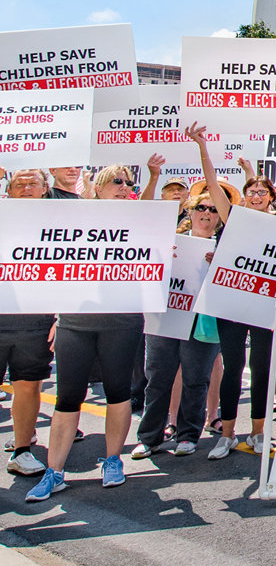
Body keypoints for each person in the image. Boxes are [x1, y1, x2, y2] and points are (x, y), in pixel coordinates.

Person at [190, 121, 276, 460]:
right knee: (233, 368)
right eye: (252, 191)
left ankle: (259, 432)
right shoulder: (232, 217)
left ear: (271, 197)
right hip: (232, 305)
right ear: (245, 196)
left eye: (263, 192)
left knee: (262, 369)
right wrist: (203, 148)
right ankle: (227, 435)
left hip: (265, 306)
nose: (257, 196)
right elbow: (213, 184)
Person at [26, 166, 145, 501]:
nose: (123, 187)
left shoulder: (141, 222)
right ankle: (54, 472)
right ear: (98, 187)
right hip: (76, 322)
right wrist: (55, 315)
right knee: (67, 397)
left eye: (128, 182)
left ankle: (113, 460)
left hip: (122, 320)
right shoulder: (74, 218)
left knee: (118, 393)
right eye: (116, 181)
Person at [131, 194, 222, 459]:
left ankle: (188, 436)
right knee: (158, 380)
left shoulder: (225, 248)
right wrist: (163, 258)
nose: (207, 213)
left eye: (213, 209)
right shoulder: (169, 241)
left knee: (196, 380)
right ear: (190, 212)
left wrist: (218, 265)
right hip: (166, 318)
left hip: (201, 322)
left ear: (219, 218)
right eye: (201, 207)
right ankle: (149, 438)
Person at [3, 170, 54, 476]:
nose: (26, 188)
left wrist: (60, 315)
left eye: (32, 183)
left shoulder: (59, 223)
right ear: (8, 191)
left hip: (35, 318)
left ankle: (21, 451)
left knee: (28, 385)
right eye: (19, 184)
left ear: (44, 188)